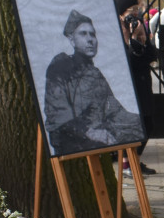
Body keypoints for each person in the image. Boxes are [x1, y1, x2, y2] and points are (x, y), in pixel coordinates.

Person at [43, 9, 144, 157]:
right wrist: (90, 132)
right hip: (71, 138)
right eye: (83, 34)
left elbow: (114, 110)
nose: (90, 39)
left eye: (92, 34)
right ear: (72, 40)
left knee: (139, 126)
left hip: (99, 133)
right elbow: (58, 116)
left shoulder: (94, 73)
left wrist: (138, 123)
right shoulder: (61, 66)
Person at [114, 0, 158, 174]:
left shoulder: (138, 29)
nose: (135, 14)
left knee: (148, 125)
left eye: (137, 10)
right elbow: (127, 62)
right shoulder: (115, 34)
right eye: (131, 11)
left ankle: (134, 162)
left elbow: (151, 57)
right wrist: (130, 39)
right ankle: (127, 164)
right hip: (127, 87)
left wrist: (143, 38)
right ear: (120, 15)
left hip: (142, 85)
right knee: (132, 126)